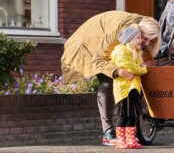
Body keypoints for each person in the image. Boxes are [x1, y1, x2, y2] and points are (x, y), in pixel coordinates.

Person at [61, 11, 161, 146]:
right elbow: (99, 58)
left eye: (151, 40)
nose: (147, 43)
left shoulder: (141, 29)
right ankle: (107, 133)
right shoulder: (120, 32)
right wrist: (117, 71)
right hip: (90, 43)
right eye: (145, 38)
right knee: (107, 82)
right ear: (139, 31)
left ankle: (128, 134)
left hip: (114, 43)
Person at [110, 25, 147, 149]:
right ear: (129, 39)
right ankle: (120, 140)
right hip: (124, 90)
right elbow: (131, 67)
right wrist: (143, 69)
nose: (140, 40)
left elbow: (135, 65)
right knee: (124, 114)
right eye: (138, 38)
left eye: (140, 38)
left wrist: (140, 63)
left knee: (133, 115)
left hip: (134, 89)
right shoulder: (122, 52)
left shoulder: (135, 53)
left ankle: (130, 139)